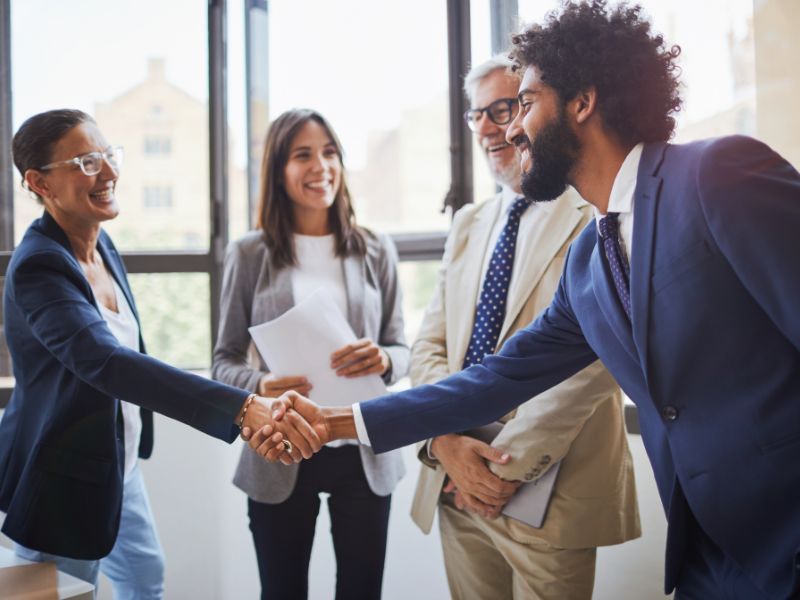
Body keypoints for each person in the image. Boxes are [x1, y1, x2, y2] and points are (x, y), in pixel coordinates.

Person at [254, 2, 800, 599]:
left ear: (582, 102)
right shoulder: (591, 261)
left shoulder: (716, 174)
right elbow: (494, 379)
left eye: (527, 103)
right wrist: (336, 421)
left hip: (785, 529)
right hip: (707, 551)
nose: (512, 129)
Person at [0, 109, 318, 597]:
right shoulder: (39, 268)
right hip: (62, 476)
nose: (108, 172)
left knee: (146, 580)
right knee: (59, 592)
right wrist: (243, 406)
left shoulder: (100, 245)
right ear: (40, 184)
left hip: (116, 466)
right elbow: (106, 362)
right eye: (86, 162)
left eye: (108, 155)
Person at [409, 55, 639, 599]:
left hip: (550, 494)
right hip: (454, 485)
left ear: (539, 111)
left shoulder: (593, 211)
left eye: (504, 108)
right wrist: (444, 443)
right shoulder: (469, 222)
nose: (490, 128)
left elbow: (596, 360)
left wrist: (503, 470)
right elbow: (430, 346)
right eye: (476, 115)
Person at [212, 108, 408, 600]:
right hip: (279, 447)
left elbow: (403, 347)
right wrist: (258, 384)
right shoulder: (250, 253)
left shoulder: (375, 249)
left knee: (362, 592)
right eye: (303, 155)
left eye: (329, 152)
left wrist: (384, 360)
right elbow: (223, 360)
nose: (320, 165)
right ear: (279, 170)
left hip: (362, 446)